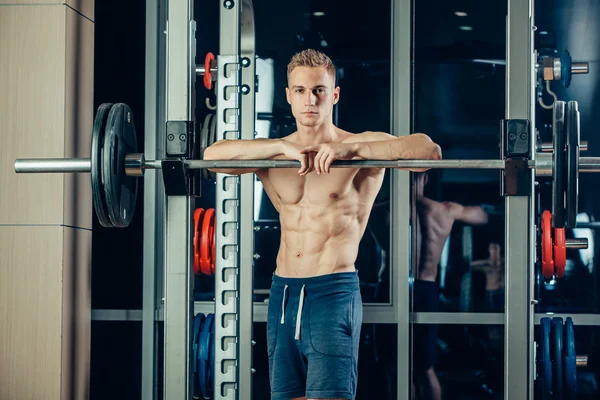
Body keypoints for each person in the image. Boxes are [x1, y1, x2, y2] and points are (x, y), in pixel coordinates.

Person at [204, 48, 442, 400]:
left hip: (333, 290)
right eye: (299, 90)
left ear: (334, 94)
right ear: (287, 95)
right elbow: (211, 157)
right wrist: (279, 150)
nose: (309, 100)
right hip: (283, 292)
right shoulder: (273, 153)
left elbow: (428, 152)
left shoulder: (361, 147)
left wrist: (354, 150)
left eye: (318, 90)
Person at [412, 171, 489, 400]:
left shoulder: (382, 210)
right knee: (425, 369)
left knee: (395, 367)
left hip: (389, 291)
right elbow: (483, 216)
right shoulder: (443, 210)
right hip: (424, 288)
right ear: (425, 178)